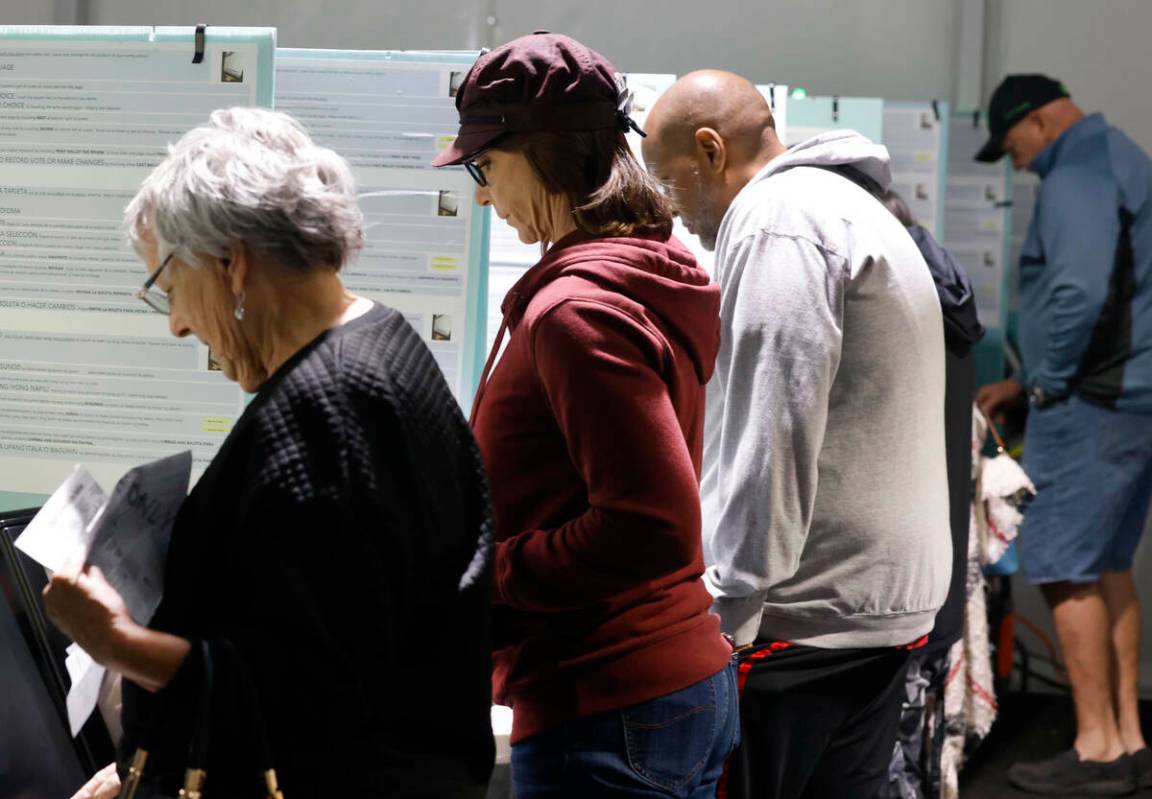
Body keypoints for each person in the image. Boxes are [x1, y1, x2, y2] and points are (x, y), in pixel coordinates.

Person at [43, 107, 495, 798]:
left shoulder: (328, 406)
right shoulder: (383, 339)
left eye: (170, 289)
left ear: (232, 263)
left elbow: (307, 695)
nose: (177, 324)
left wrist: (115, 641)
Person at [431, 33, 737, 798]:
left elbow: (651, 523)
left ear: (543, 155)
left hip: (608, 699)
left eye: (486, 166)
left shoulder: (579, 312)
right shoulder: (634, 274)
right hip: (646, 691)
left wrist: (490, 572)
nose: (479, 192)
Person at [643, 71, 952, 799]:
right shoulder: (852, 204)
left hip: (802, 616)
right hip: (878, 608)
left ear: (711, 150)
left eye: (668, 180)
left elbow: (771, 433)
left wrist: (727, 611)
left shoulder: (778, 219)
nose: (669, 207)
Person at [974, 74, 1152, 796]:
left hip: (1090, 403)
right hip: (1130, 399)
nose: (1014, 162)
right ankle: (1129, 736)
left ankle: (1095, 747)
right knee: (1107, 563)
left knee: (1061, 565)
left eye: (1012, 143)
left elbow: (1079, 289)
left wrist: (1043, 383)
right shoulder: (1121, 155)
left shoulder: (1076, 172)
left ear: (1041, 121)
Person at [877, 190, 985, 799]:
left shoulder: (895, 307)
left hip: (886, 591)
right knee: (911, 752)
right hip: (930, 579)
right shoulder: (944, 295)